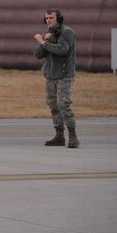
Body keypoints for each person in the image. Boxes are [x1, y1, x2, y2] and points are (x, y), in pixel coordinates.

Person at [34, 9, 79, 148]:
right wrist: (44, 41)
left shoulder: (67, 32)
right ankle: (59, 136)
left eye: (51, 18)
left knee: (63, 104)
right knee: (53, 105)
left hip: (64, 75)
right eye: (46, 18)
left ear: (58, 18)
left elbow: (62, 50)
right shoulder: (48, 34)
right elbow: (38, 55)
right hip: (51, 75)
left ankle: (73, 136)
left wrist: (44, 42)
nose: (48, 20)